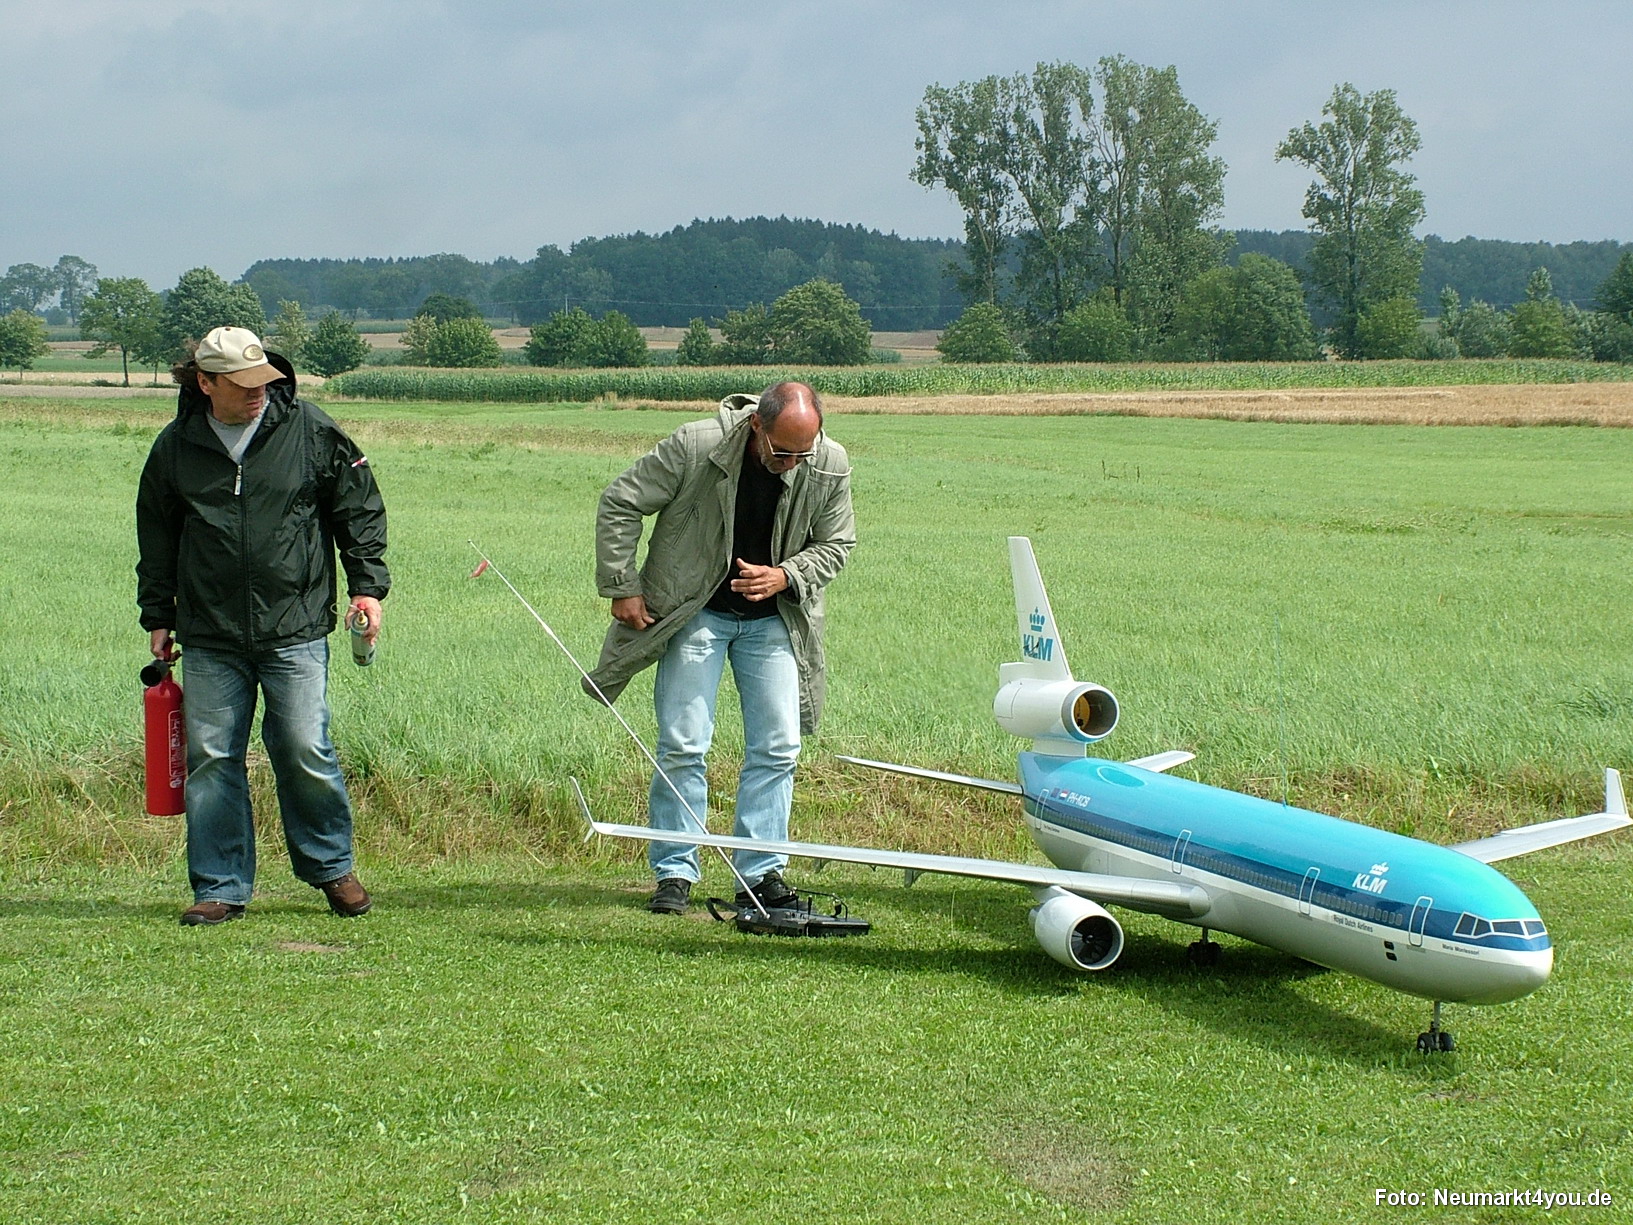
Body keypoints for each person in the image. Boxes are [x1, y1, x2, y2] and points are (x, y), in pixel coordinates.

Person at [136, 326, 389, 926]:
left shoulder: (312, 431)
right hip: (209, 633)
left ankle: (331, 868)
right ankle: (220, 886)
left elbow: (359, 507)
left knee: (304, 746)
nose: (258, 393)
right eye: (243, 385)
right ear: (205, 383)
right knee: (212, 757)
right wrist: (158, 617)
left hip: (295, 626)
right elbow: (157, 538)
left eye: (265, 381)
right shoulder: (175, 448)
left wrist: (368, 587)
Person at [587, 381, 854, 915]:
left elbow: (838, 544)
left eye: (805, 452)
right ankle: (674, 873)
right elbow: (621, 501)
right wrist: (623, 585)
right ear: (757, 424)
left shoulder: (829, 462)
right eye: (783, 452)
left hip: (776, 619)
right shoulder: (695, 444)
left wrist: (785, 575)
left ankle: (759, 874)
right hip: (695, 613)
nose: (793, 464)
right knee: (684, 745)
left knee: (779, 748)